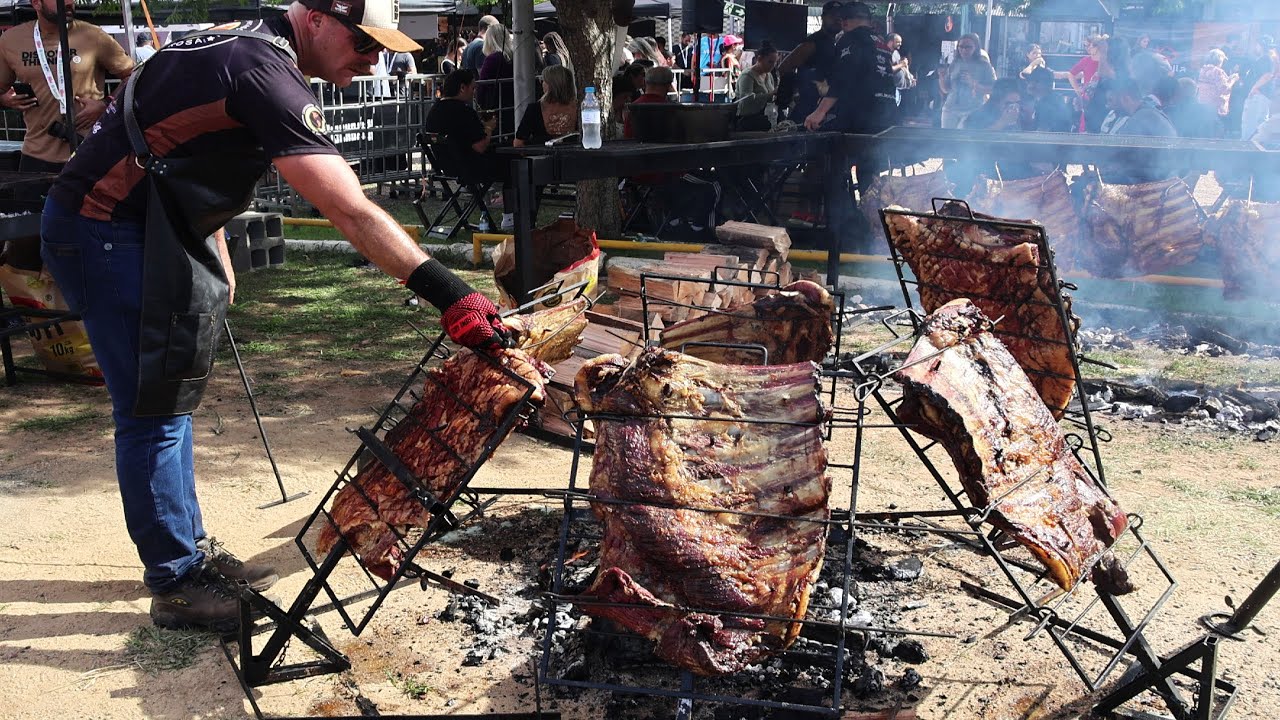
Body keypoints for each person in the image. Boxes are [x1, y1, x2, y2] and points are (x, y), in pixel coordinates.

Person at [41, 0, 509, 633]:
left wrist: (215, 244)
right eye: (363, 43)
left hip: (152, 224)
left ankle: (190, 552)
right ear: (315, 17)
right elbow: (350, 211)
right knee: (152, 409)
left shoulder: (245, 43)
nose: (371, 61)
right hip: (106, 229)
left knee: (171, 400)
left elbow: (182, 148)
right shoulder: (263, 69)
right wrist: (451, 295)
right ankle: (177, 583)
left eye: (381, 49)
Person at [804, 1, 897, 252]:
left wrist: (819, 112)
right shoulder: (881, 43)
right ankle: (874, 235)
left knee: (834, 169)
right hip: (883, 120)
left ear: (845, 22)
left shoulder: (850, 40)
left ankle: (843, 232)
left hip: (860, 118)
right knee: (870, 178)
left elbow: (843, 81)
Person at [0, 0, 134, 173]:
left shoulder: (93, 35)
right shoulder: (12, 40)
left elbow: (134, 75)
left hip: (89, 151)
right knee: (30, 201)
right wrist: (5, 99)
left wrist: (106, 104)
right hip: (36, 156)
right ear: (36, 3)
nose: (70, 2)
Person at [426, 69, 516, 230]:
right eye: (473, 88)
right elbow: (480, 146)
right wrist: (488, 128)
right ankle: (510, 216)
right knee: (514, 163)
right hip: (470, 167)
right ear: (462, 88)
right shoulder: (464, 111)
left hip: (446, 166)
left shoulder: (434, 111)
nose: (474, 93)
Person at [1102, 78, 1177, 183]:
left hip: (1158, 180)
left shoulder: (1142, 117)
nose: (1109, 106)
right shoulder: (1147, 112)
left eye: (1111, 100)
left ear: (1126, 99)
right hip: (1158, 174)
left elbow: (1118, 152)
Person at [776, 0, 840, 123]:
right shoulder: (814, 42)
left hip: (824, 107)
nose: (837, 19)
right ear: (823, 18)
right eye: (832, 16)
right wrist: (801, 87)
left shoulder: (836, 43)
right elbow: (784, 67)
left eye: (839, 17)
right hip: (807, 109)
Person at [938, 32, 995, 129]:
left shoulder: (984, 65)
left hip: (972, 109)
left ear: (976, 48)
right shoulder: (955, 63)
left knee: (963, 139)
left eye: (968, 47)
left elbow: (993, 89)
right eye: (961, 47)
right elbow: (946, 90)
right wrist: (942, 77)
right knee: (947, 140)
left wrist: (973, 83)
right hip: (950, 108)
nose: (964, 50)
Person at [514, 64, 577, 147]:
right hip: (574, 156)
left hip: (541, 156)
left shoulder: (534, 109)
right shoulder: (580, 107)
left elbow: (518, 142)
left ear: (551, 84)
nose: (542, 84)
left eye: (543, 80)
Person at [478, 22, 514, 135]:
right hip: (513, 103)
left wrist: (480, 104)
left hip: (496, 106)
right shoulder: (515, 56)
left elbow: (482, 84)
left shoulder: (492, 59)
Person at [736, 40, 778, 131]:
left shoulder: (768, 75)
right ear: (759, 59)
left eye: (774, 62)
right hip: (747, 120)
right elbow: (746, 99)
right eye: (770, 62)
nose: (773, 66)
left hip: (764, 117)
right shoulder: (747, 75)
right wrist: (770, 94)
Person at [623, 64, 673, 139]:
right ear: (668, 85)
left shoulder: (632, 108)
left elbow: (628, 136)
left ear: (646, 82)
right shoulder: (672, 110)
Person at [1025, 67, 1073, 133]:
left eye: (1033, 80)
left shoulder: (1049, 105)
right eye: (1030, 81)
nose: (1030, 84)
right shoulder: (1047, 100)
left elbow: (1041, 133)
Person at [1197, 49, 1237, 118]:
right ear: (1220, 60)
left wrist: (1229, 79)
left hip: (1203, 103)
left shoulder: (1203, 69)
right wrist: (1234, 80)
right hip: (1215, 105)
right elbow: (1224, 88)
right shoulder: (1217, 71)